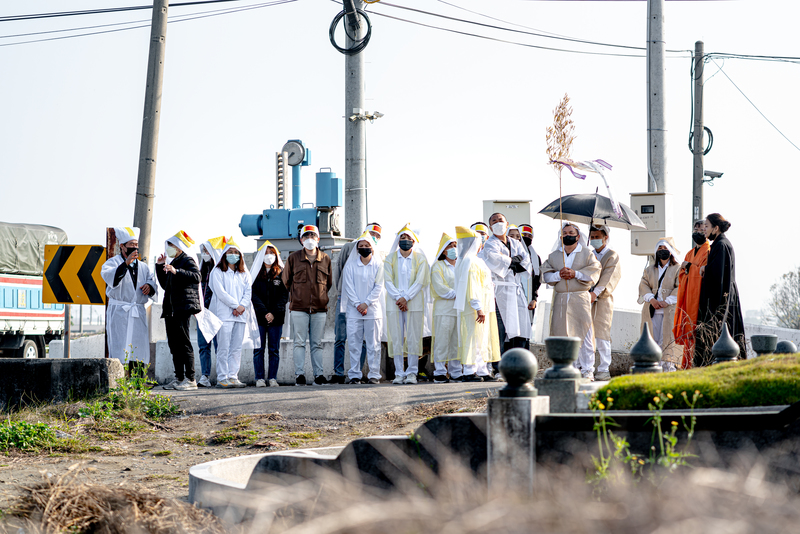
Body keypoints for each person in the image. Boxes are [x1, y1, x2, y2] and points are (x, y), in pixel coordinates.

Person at [541, 223, 601, 380]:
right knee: (562, 333)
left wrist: (576, 274)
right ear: (561, 237)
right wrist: (558, 275)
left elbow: (594, 272)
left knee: (585, 334)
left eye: (571, 232)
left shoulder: (587, 253)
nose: (568, 235)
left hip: (579, 297)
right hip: (561, 298)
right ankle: (569, 369)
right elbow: (545, 275)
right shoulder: (554, 255)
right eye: (565, 233)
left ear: (578, 236)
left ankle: (588, 370)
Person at [101, 227, 157, 374]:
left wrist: (149, 287)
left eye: (136, 244)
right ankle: (119, 379)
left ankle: (137, 380)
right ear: (122, 246)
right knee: (120, 346)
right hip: (120, 312)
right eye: (131, 244)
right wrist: (125, 264)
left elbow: (152, 282)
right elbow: (110, 278)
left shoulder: (144, 267)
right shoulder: (111, 263)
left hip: (137, 311)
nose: (134, 248)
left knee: (138, 347)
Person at [282, 225, 333, 386]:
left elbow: (329, 283)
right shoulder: (293, 258)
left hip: (319, 309)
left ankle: (319, 375)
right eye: (306, 236)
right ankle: (300, 375)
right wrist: (297, 295)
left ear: (318, 239)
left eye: (313, 236)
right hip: (298, 308)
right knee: (299, 342)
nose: (310, 239)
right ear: (301, 240)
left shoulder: (325, 258)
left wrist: (319, 296)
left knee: (317, 343)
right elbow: (286, 281)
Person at [332, 223, 382, 384]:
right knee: (354, 343)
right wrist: (357, 304)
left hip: (372, 311)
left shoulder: (379, 265)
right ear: (357, 248)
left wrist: (366, 304)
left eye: (367, 245)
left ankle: (374, 374)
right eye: (361, 245)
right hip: (354, 311)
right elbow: (348, 286)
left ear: (372, 247)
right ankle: (354, 375)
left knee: (373, 344)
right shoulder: (351, 266)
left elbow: (378, 286)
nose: (364, 247)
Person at [694, 213, 746, 365]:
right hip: (724, 296)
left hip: (721, 300)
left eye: (707, 226)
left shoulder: (721, 245)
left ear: (716, 228)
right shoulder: (719, 244)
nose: (704, 230)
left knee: (720, 336)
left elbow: (718, 276)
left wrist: (705, 269)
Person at [483, 213, 532, 365]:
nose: (498, 223)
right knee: (500, 329)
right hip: (499, 291)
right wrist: (513, 262)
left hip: (516, 290)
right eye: (494, 221)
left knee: (520, 327)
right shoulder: (490, 244)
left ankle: (517, 363)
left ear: (507, 223)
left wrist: (511, 262)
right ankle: (498, 366)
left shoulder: (515, 242)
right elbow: (494, 258)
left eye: (501, 220)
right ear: (490, 227)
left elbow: (525, 259)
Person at [384, 223, 430, 385]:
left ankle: (411, 372)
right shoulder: (390, 259)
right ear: (397, 241)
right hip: (394, 303)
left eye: (408, 238)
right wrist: (399, 298)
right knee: (396, 338)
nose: (405, 240)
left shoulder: (420, 259)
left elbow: (420, 281)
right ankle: (399, 373)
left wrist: (406, 298)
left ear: (414, 241)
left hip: (414, 303)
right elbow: (388, 281)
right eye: (402, 238)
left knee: (413, 338)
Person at [454, 226, 501, 382]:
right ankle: (469, 371)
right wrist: (478, 307)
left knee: (481, 339)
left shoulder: (470, 260)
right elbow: (472, 287)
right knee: (472, 339)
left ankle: (481, 371)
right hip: (475, 308)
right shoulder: (470, 261)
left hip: (483, 306)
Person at [156, 231, 202, 390]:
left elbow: (197, 276)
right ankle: (179, 377)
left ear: (179, 247)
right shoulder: (173, 262)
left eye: (172, 245)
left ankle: (190, 379)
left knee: (184, 343)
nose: (169, 248)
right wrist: (160, 266)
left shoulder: (186, 260)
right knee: (174, 345)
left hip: (182, 307)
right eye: (168, 245)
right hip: (171, 309)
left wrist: (177, 271)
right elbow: (165, 285)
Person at [578, 225, 621, 382]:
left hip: (602, 299)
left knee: (601, 334)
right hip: (584, 297)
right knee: (583, 333)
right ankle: (583, 367)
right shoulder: (587, 254)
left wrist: (595, 293)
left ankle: (603, 368)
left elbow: (609, 277)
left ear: (605, 237)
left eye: (598, 237)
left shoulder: (612, 255)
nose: (595, 240)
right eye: (593, 237)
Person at [209, 239, 253, 388]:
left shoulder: (244, 273)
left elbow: (248, 291)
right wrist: (237, 306)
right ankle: (222, 377)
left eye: (236, 253)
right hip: (224, 315)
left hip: (240, 315)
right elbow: (220, 293)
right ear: (224, 254)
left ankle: (233, 376)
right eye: (230, 252)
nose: (233, 255)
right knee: (223, 347)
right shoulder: (217, 271)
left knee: (236, 348)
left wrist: (242, 306)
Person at [637, 238, 682, 372]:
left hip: (669, 310)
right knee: (652, 338)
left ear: (671, 251)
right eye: (660, 249)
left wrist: (666, 301)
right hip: (652, 309)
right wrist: (652, 299)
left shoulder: (677, 268)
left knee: (667, 339)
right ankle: (653, 365)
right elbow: (643, 284)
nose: (662, 251)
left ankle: (668, 366)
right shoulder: (650, 269)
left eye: (665, 249)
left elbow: (679, 286)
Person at [673, 221, 710, 370]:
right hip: (688, 297)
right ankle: (686, 364)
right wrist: (686, 269)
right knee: (688, 329)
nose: (698, 232)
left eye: (702, 230)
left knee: (697, 332)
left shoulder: (708, 251)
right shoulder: (690, 252)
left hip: (699, 298)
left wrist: (689, 268)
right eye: (696, 229)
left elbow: (703, 272)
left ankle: (697, 365)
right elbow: (682, 274)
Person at [251, 241, 288, 388]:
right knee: (258, 349)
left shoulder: (281, 274)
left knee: (274, 349)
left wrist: (273, 312)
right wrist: (264, 312)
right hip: (259, 318)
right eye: (266, 253)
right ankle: (259, 377)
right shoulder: (256, 274)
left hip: (276, 317)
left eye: (272, 253)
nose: (269, 256)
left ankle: (272, 377)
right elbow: (252, 294)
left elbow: (284, 296)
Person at [429, 233, 463, 383]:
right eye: (450, 246)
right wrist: (458, 294)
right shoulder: (438, 266)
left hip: (459, 309)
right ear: (443, 250)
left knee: (456, 341)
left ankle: (456, 371)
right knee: (442, 341)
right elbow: (439, 287)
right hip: (444, 309)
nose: (453, 249)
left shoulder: (461, 265)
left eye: (455, 246)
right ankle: (440, 371)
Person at [196, 238, 226, 387]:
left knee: (220, 346)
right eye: (203, 251)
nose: (205, 254)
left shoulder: (220, 270)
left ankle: (223, 375)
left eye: (207, 250)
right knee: (203, 345)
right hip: (202, 313)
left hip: (217, 313)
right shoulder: (200, 270)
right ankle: (205, 376)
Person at [519, 224, 542, 329]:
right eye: (524, 234)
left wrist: (534, 298)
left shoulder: (535, 257)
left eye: (530, 236)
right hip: (512, 297)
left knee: (526, 327)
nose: (527, 237)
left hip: (529, 299)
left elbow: (537, 280)